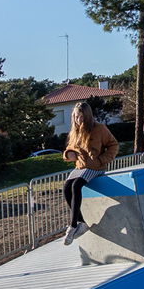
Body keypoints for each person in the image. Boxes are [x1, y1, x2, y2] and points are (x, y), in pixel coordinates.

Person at [61, 102, 119, 246]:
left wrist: (101, 160)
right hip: (80, 166)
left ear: (87, 116)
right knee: (67, 187)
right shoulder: (75, 131)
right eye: (75, 116)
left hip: (95, 167)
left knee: (76, 186)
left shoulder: (99, 128)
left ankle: (73, 225)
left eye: (81, 116)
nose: (78, 119)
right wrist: (69, 154)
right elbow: (70, 148)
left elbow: (114, 145)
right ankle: (82, 222)